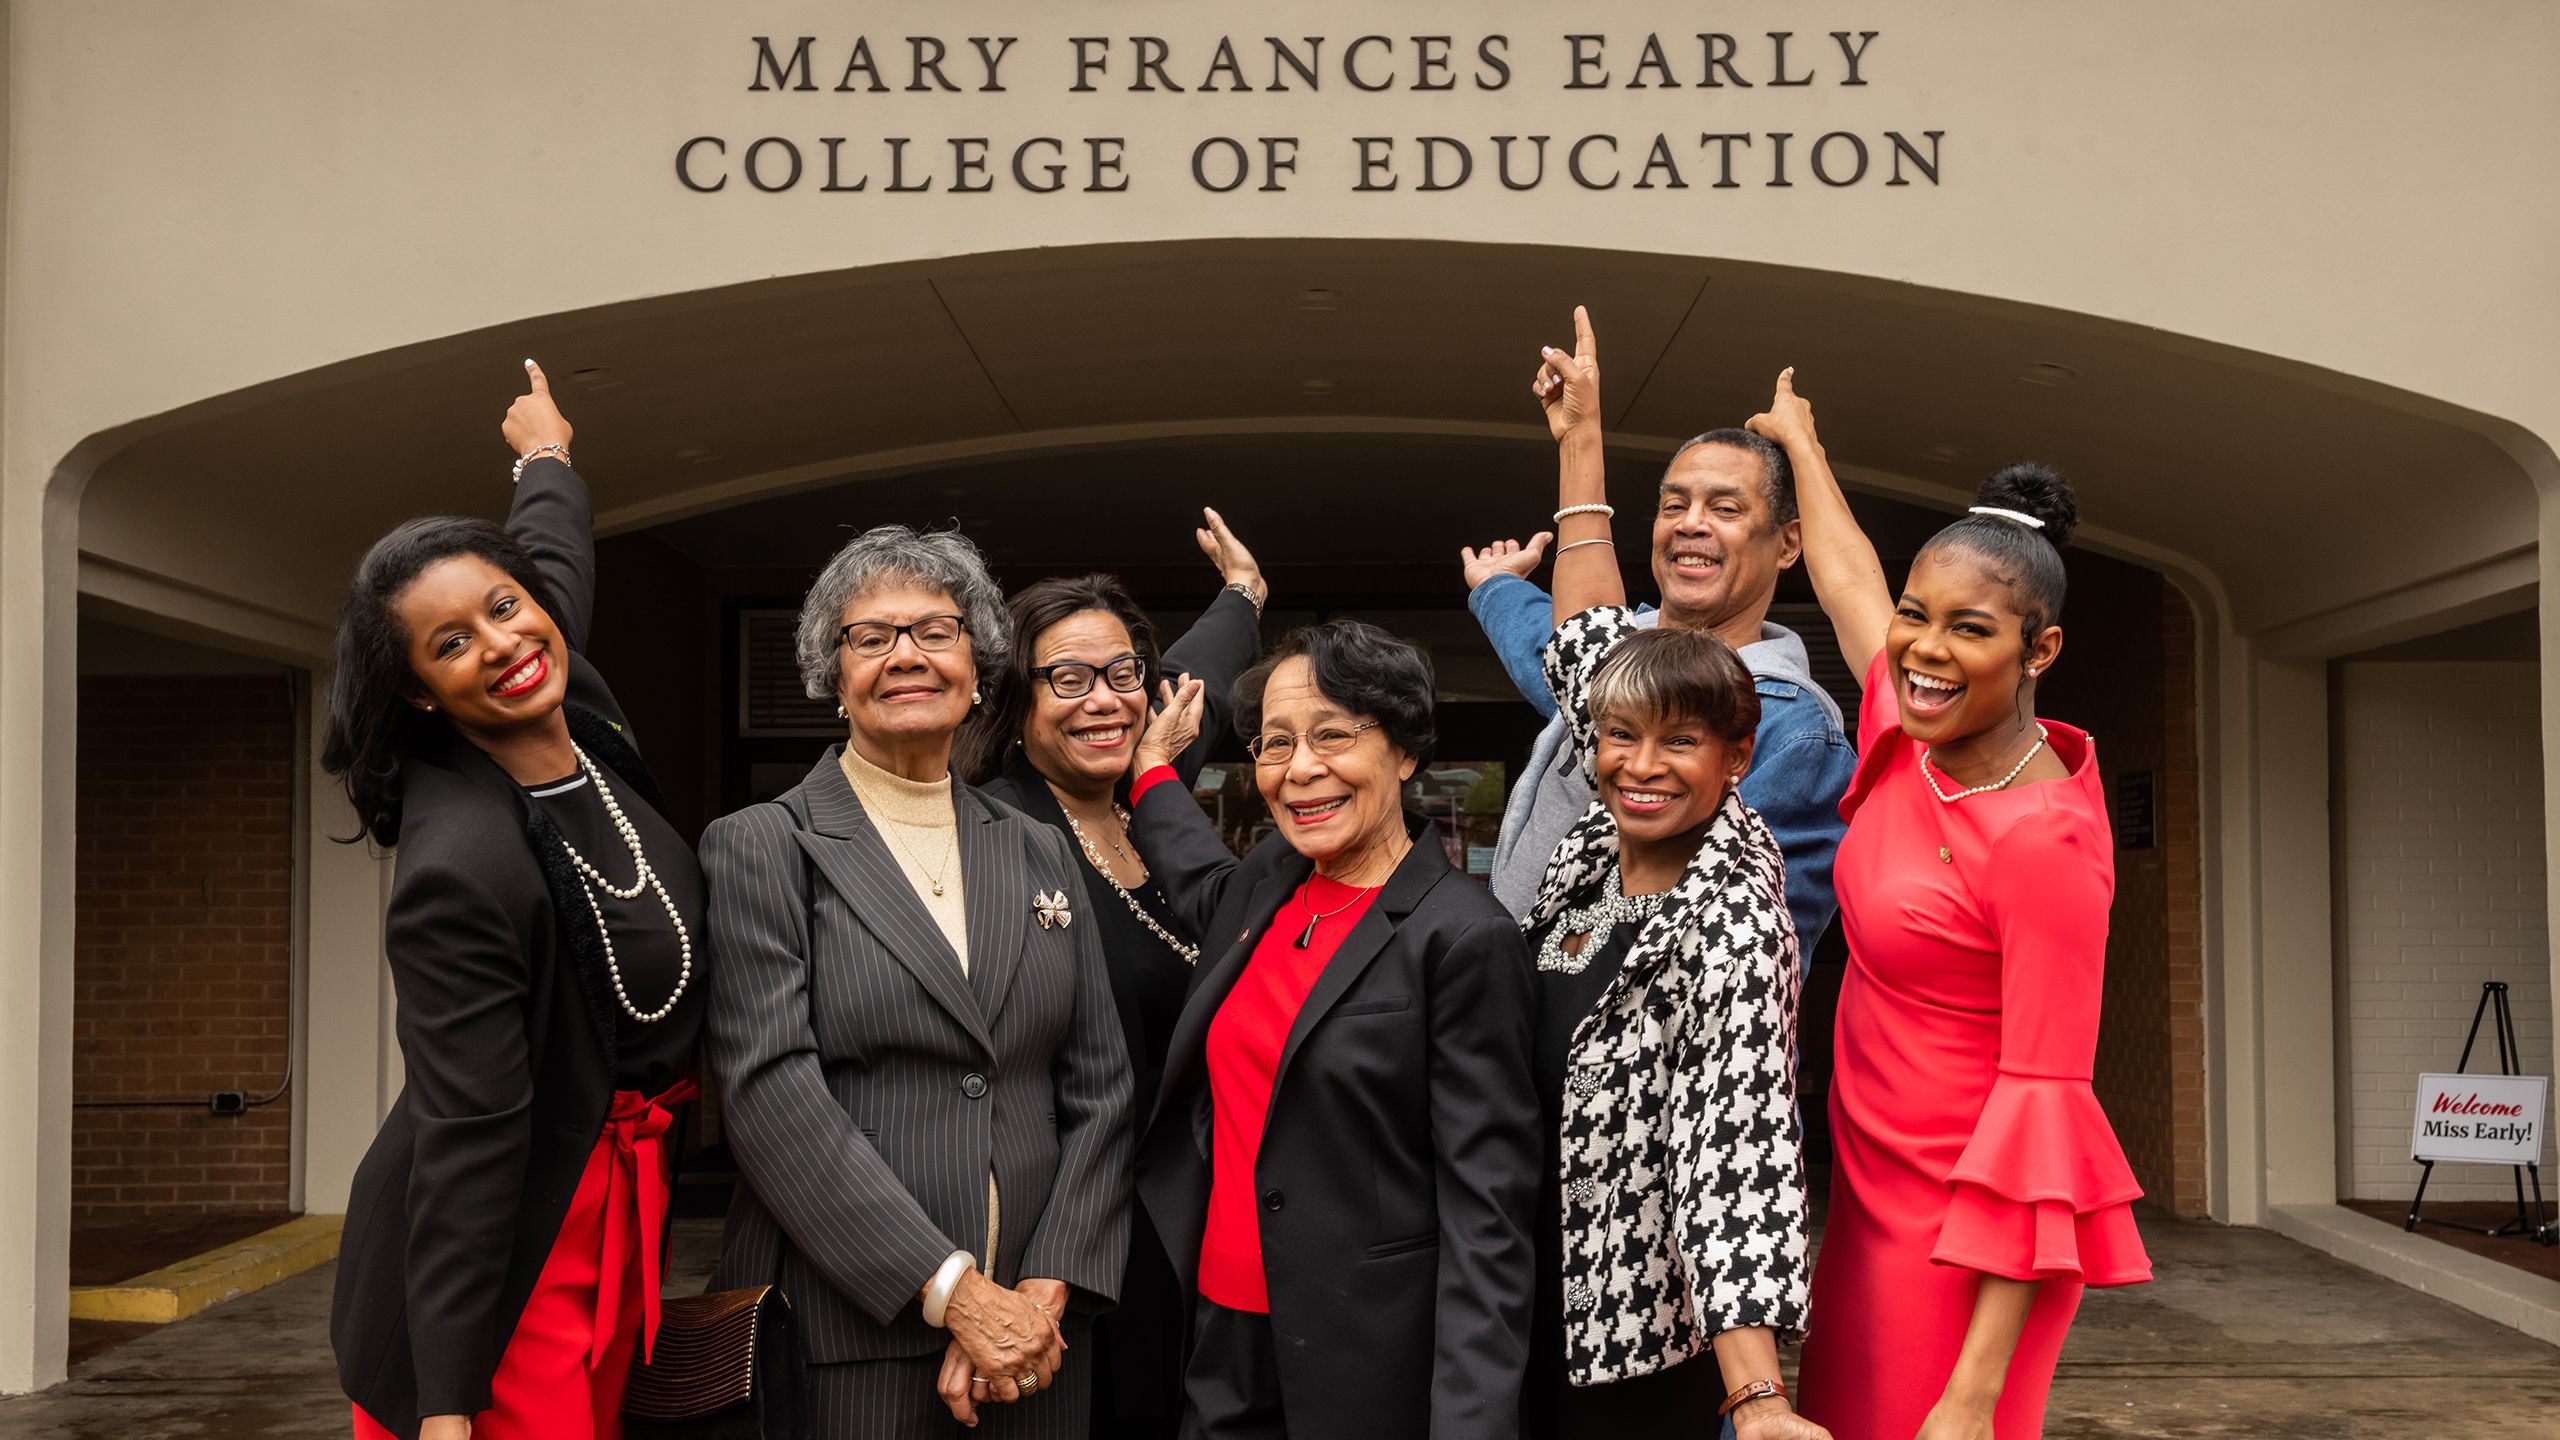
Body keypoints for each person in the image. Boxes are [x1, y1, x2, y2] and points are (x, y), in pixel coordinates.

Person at [1737, 369, 2153, 1440]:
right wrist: (1799, 443)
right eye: (1918, 617)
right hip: (1868, 1207)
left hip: (1970, 1248)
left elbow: (2047, 1123)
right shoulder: (1909, 734)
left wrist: (1970, 1398)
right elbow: (1845, 578)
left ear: (2038, 651)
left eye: (1968, 629)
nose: (1921, 647)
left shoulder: (2044, 839)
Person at [326, 362, 707, 1440]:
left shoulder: (567, 694)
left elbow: (547, 561)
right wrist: (447, 1403)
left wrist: (545, 456)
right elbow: (467, 1136)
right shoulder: (462, 869)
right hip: (509, 1251)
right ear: (418, 689)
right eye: (452, 644)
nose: (500, 644)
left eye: (506, 608)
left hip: (616, 1204)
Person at [698, 525, 1134, 1438]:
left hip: (1040, 1338)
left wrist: (1046, 1287)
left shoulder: (1038, 846)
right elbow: (771, 1096)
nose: (908, 656)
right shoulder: (765, 845)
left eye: (936, 632)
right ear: (834, 674)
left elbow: (1099, 1086)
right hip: (847, 1332)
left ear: (977, 667)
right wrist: (954, 1294)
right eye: (872, 637)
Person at [1518, 343, 1831, 1440]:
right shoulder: (1594, 858)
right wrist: (1582, 440)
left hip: (1632, 1331)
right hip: (1524, 1282)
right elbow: (1585, 638)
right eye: (1619, 738)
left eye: (1679, 745)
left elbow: (1731, 1144)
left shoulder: (1728, 907)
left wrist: (1755, 1394)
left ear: (1737, 756)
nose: (1640, 765)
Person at [1123, 621, 1540, 1440]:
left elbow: (1487, 1215)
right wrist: (1151, 775)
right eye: (1276, 745)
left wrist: (1472, 1424)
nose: (1300, 769)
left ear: (1406, 751)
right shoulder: (1269, 880)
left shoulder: (1462, 937)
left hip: (1362, 1359)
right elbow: (1199, 877)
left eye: (1333, 735)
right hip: (1216, 1332)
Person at [960, 513, 1267, 1440]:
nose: (1104, 701)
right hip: (1070, 1237)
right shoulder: (994, 832)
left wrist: (1243, 594)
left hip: (1195, 1226)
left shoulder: (1150, 797)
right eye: (1067, 679)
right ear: (1017, 697)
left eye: (1124, 675)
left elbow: (1193, 682)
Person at [1465, 307, 1856, 960]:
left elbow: (1757, 946)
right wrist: (1498, 588)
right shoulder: (1614, 654)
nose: (1690, 523)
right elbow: (1553, 644)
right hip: (1515, 1028)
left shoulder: (1794, 729)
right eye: (1674, 505)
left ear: (1789, 544)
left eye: (1725, 509)